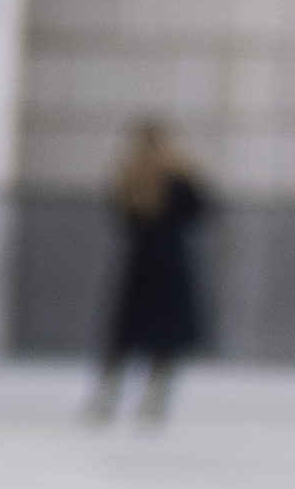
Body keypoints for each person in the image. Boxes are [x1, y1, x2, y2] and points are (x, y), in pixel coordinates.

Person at [88, 120, 214, 426]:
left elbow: (121, 218)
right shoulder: (179, 176)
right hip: (171, 260)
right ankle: (154, 401)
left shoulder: (131, 177)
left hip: (141, 261)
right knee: (167, 335)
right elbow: (202, 211)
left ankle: (107, 396)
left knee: (129, 333)